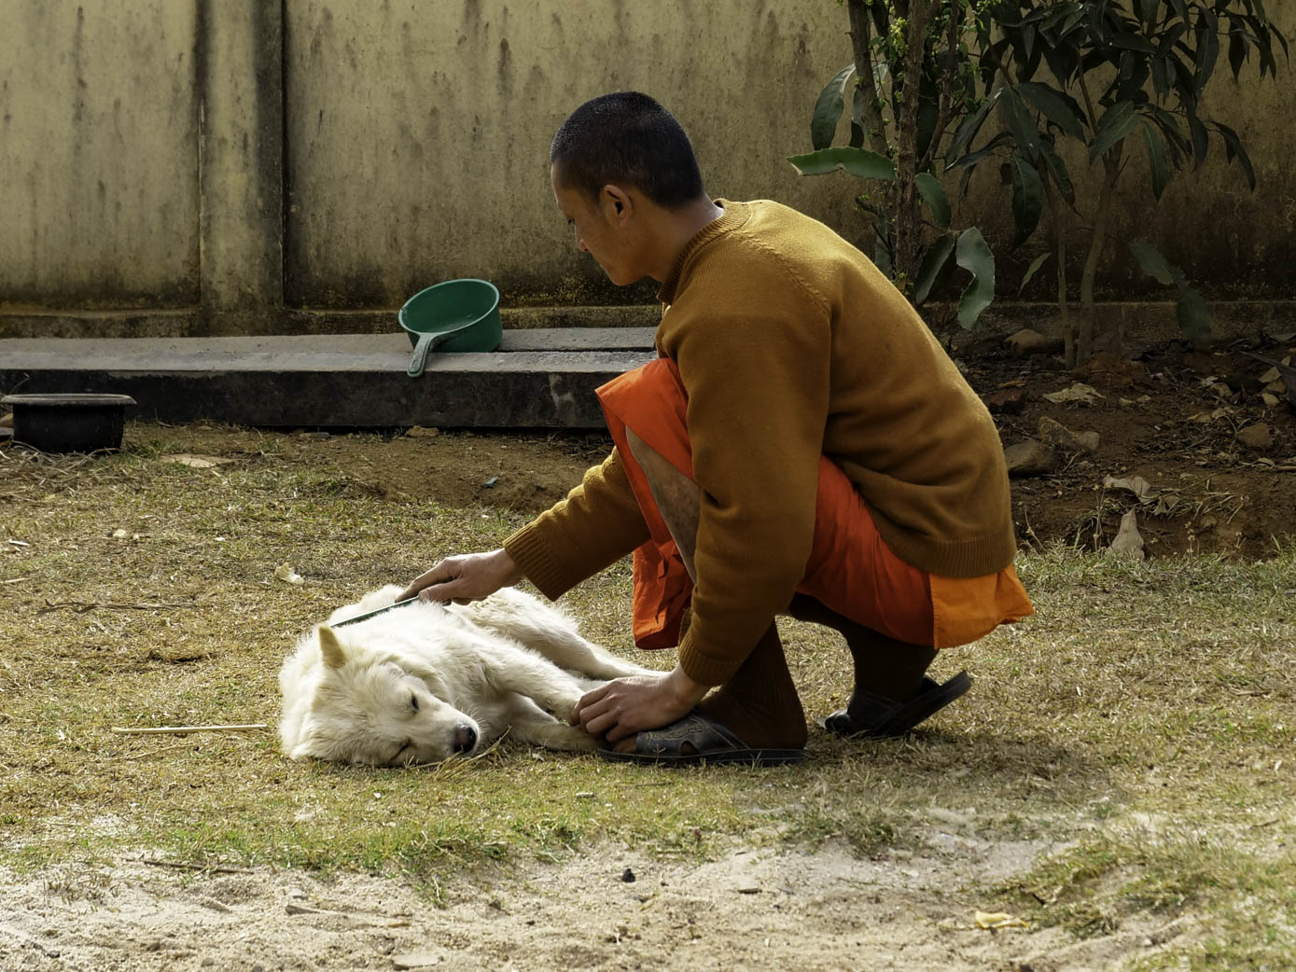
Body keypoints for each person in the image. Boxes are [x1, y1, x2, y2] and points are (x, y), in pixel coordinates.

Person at [400, 92, 1033, 765]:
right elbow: (655, 470)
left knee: (659, 410)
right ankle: (891, 662)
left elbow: (761, 521)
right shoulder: (746, 233)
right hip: (939, 537)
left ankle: (756, 708)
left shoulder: (733, 305)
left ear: (618, 203)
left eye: (576, 221)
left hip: (925, 557)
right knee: (667, 419)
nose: (578, 242)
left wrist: (685, 685)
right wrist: (507, 564)